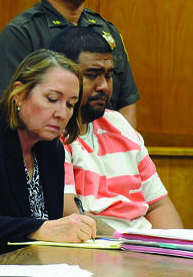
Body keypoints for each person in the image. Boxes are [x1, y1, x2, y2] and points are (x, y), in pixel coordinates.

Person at [0, 50, 97, 263]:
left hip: (38, 267)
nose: (62, 113)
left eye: (70, 104)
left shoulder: (53, 150)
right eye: (52, 99)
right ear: (19, 94)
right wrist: (40, 229)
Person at [0, 0, 139, 128]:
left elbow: (127, 101)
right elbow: (9, 109)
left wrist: (125, 144)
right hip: (49, 141)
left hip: (103, 142)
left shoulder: (107, 31)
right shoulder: (22, 32)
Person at [48, 27, 183, 232]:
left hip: (138, 243)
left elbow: (159, 205)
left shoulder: (119, 125)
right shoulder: (54, 131)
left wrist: (174, 246)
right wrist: (127, 245)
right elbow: (70, 213)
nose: (104, 86)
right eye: (92, 75)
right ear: (61, 75)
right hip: (97, 243)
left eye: (109, 75)